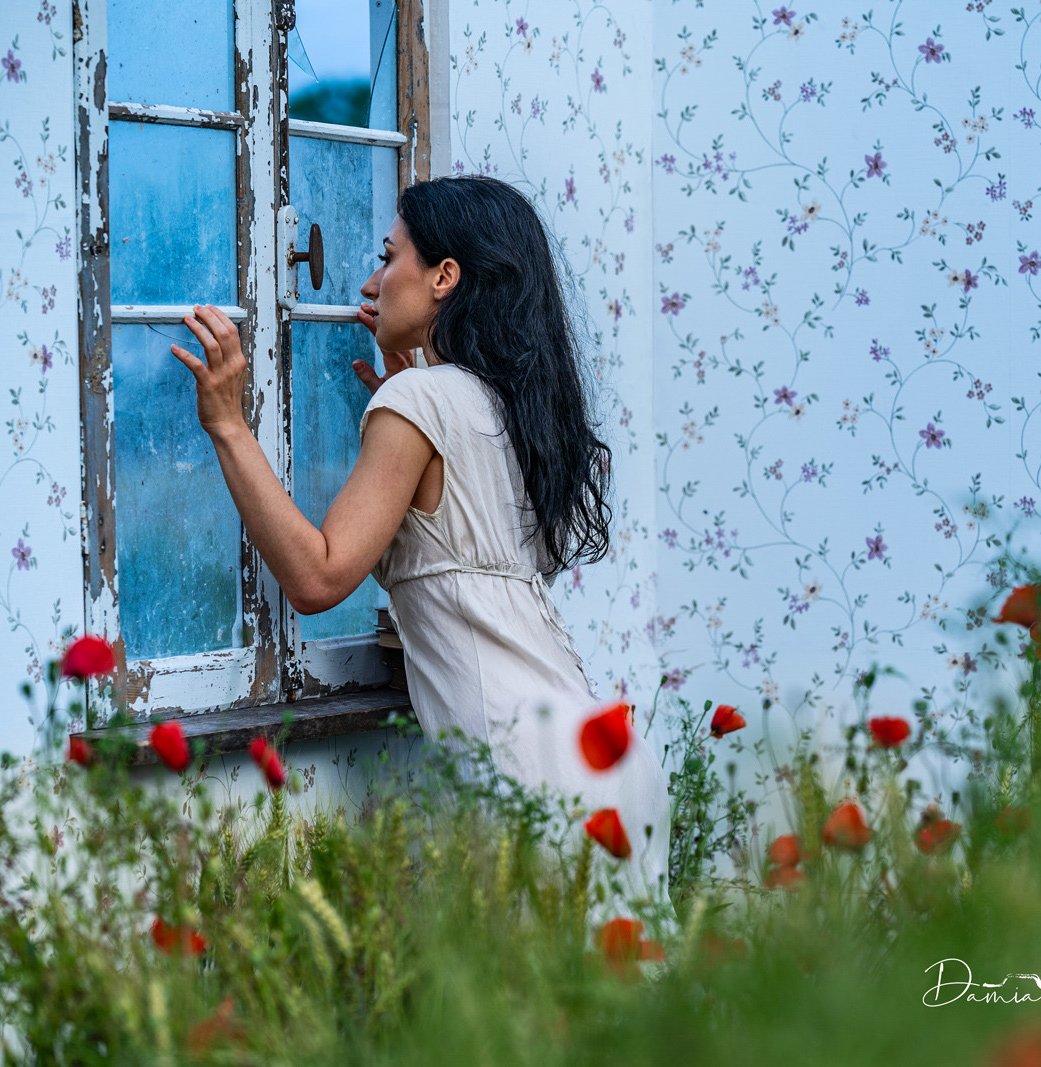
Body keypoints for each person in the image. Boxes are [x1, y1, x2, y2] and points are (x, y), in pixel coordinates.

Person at [169, 175, 670, 908]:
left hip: (523, 777)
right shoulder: (510, 407)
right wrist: (407, 396)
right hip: (603, 758)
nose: (372, 282)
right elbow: (443, 569)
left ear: (443, 277)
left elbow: (317, 578)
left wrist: (229, 426)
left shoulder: (423, 401)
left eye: (389, 256)